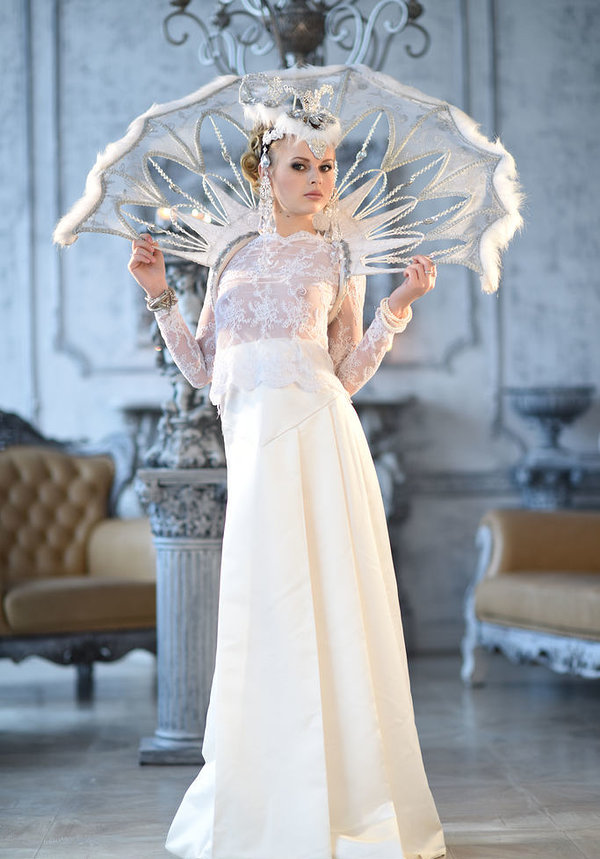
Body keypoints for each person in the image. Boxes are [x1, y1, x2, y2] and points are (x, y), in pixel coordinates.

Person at [128, 91, 446, 859]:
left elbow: (347, 370)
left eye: (326, 165)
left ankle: (345, 798)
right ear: (264, 171)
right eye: (300, 165)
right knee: (263, 611)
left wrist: (399, 305)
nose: (317, 178)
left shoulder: (339, 257)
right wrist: (159, 291)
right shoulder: (231, 256)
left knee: (328, 608)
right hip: (256, 450)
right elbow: (203, 370)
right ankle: (264, 799)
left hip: (318, 437)